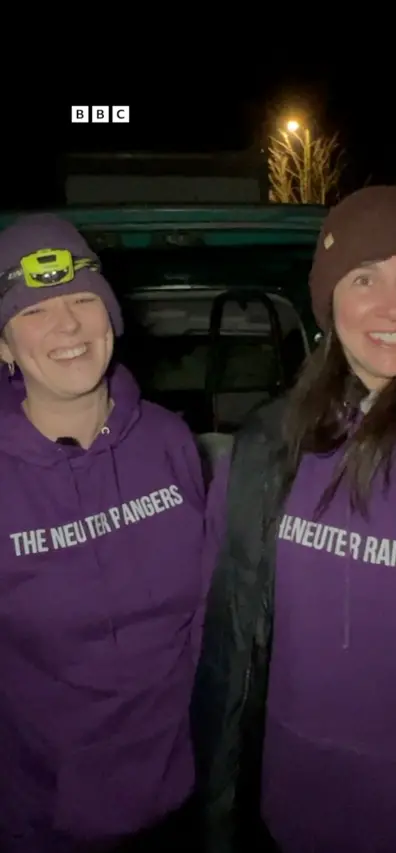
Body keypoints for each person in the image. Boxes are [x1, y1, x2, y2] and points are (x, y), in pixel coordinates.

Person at [192, 186, 396, 853]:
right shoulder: (267, 446)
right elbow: (224, 644)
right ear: (328, 302)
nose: (394, 306)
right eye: (364, 277)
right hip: (282, 811)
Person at [0, 214, 206, 852]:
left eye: (83, 300)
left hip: (189, 801)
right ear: (3, 345)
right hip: (45, 820)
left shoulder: (170, 440)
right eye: (34, 310)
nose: (66, 325)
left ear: (111, 316)